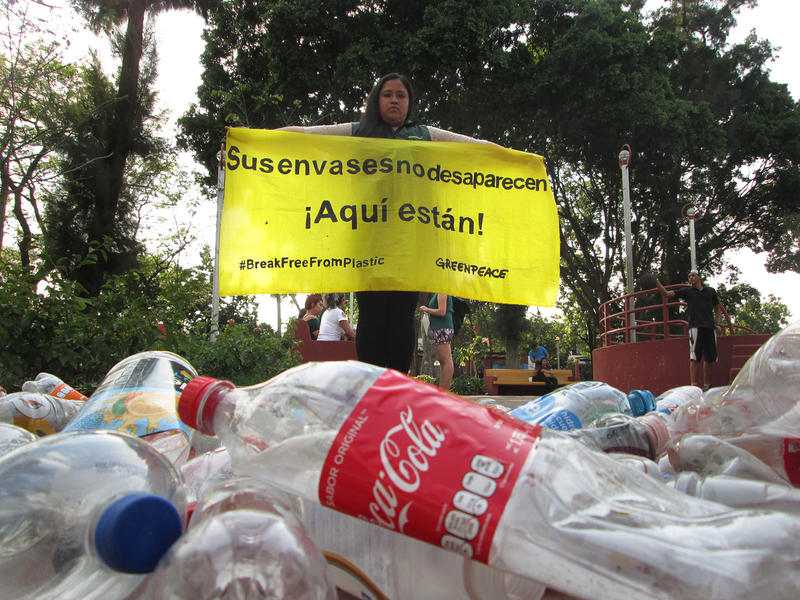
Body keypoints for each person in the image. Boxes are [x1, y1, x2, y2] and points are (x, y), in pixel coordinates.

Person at [278, 73, 494, 373]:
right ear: (377, 99)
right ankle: (371, 384)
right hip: (368, 243)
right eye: (388, 94)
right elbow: (308, 134)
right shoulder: (359, 132)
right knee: (371, 315)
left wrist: (520, 160)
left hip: (409, 246)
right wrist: (258, 140)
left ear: (409, 102)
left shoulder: (424, 135)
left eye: (401, 95)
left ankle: (395, 384)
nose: (394, 100)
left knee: (401, 316)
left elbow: (474, 146)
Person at [655, 269, 723, 391]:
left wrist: (718, 324)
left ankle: (707, 386)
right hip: (695, 328)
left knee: (709, 358)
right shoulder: (688, 291)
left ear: (699, 277)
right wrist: (656, 282)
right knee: (694, 357)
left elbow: (717, 309)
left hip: (709, 328)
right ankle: (694, 386)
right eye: (689, 276)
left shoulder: (710, 291)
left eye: (693, 275)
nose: (691, 278)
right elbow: (667, 294)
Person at [419, 293, 454, 391]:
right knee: (442, 359)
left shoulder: (442, 292)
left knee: (446, 359)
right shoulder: (438, 293)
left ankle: (445, 390)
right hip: (439, 327)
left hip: (442, 327)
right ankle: (443, 389)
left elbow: (442, 311)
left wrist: (427, 309)